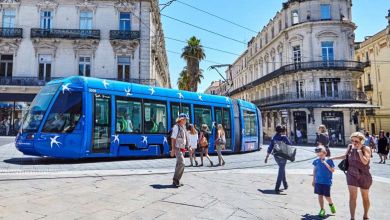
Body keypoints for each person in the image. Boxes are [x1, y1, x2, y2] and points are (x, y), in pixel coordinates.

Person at [330, 132, 372, 220]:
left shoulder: (366, 148)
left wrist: (359, 151)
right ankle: (352, 218)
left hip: (364, 175)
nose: (354, 143)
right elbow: (345, 157)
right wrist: (333, 158)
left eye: (356, 141)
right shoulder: (350, 147)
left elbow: (365, 162)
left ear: (362, 141)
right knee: (352, 196)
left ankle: (365, 216)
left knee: (365, 197)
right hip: (351, 174)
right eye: (352, 140)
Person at [265, 125, 292, 193]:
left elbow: (270, 147)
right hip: (283, 156)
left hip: (276, 156)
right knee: (281, 170)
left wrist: (267, 157)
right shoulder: (284, 137)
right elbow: (290, 145)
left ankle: (285, 184)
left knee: (281, 168)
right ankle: (277, 187)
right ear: (282, 131)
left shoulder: (274, 137)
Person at [312, 145, 336, 218]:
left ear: (325, 153)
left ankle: (331, 204)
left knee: (327, 196)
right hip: (318, 181)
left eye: (321, 154)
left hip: (326, 181)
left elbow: (333, 170)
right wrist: (313, 180)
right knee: (320, 196)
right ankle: (322, 209)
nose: (319, 155)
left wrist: (325, 163)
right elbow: (315, 170)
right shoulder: (316, 161)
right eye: (318, 154)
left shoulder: (329, 160)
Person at [170, 113, 189, 187]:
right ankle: (176, 180)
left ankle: (176, 180)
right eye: (185, 119)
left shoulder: (183, 127)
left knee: (179, 164)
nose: (186, 121)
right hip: (177, 148)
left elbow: (185, 138)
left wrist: (188, 146)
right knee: (182, 163)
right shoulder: (176, 127)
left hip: (182, 148)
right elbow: (173, 138)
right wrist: (173, 149)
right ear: (181, 120)